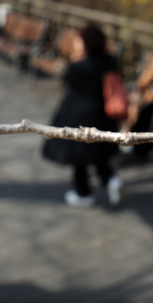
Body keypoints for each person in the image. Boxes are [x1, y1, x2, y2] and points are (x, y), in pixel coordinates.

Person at [42, 23, 124, 207]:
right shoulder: (109, 61)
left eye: (78, 41)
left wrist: (74, 61)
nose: (76, 44)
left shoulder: (81, 66)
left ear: (87, 43)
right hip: (102, 116)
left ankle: (83, 193)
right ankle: (111, 181)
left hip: (79, 116)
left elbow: (67, 78)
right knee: (98, 154)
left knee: (79, 158)